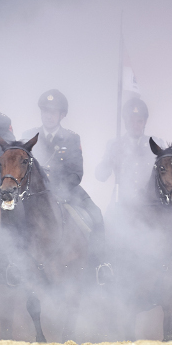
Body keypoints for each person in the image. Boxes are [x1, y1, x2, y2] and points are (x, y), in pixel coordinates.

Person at [22, 89, 105, 261]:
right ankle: (13, 264)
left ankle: (99, 264)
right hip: (34, 193)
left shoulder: (72, 138)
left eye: (53, 111)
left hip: (67, 189)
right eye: (45, 110)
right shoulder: (28, 136)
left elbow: (76, 173)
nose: (48, 115)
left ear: (62, 115)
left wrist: (59, 190)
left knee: (96, 215)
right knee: (11, 215)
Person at [95, 97, 160, 212]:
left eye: (139, 121)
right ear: (125, 122)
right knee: (103, 226)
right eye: (131, 121)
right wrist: (111, 158)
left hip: (150, 205)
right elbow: (100, 176)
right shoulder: (114, 144)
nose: (135, 125)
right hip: (121, 203)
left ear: (145, 122)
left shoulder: (156, 144)